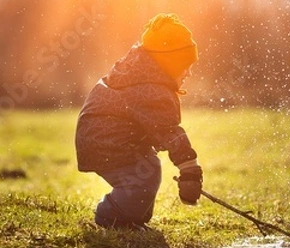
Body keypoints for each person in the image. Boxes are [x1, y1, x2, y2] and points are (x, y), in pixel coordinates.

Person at [75, 13, 203, 230]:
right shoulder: (150, 88)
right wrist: (189, 169)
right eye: (185, 64)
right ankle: (110, 216)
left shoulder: (139, 73)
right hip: (105, 142)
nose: (189, 72)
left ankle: (128, 219)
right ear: (169, 63)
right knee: (144, 175)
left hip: (103, 138)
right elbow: (169, 131)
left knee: (147, 170)